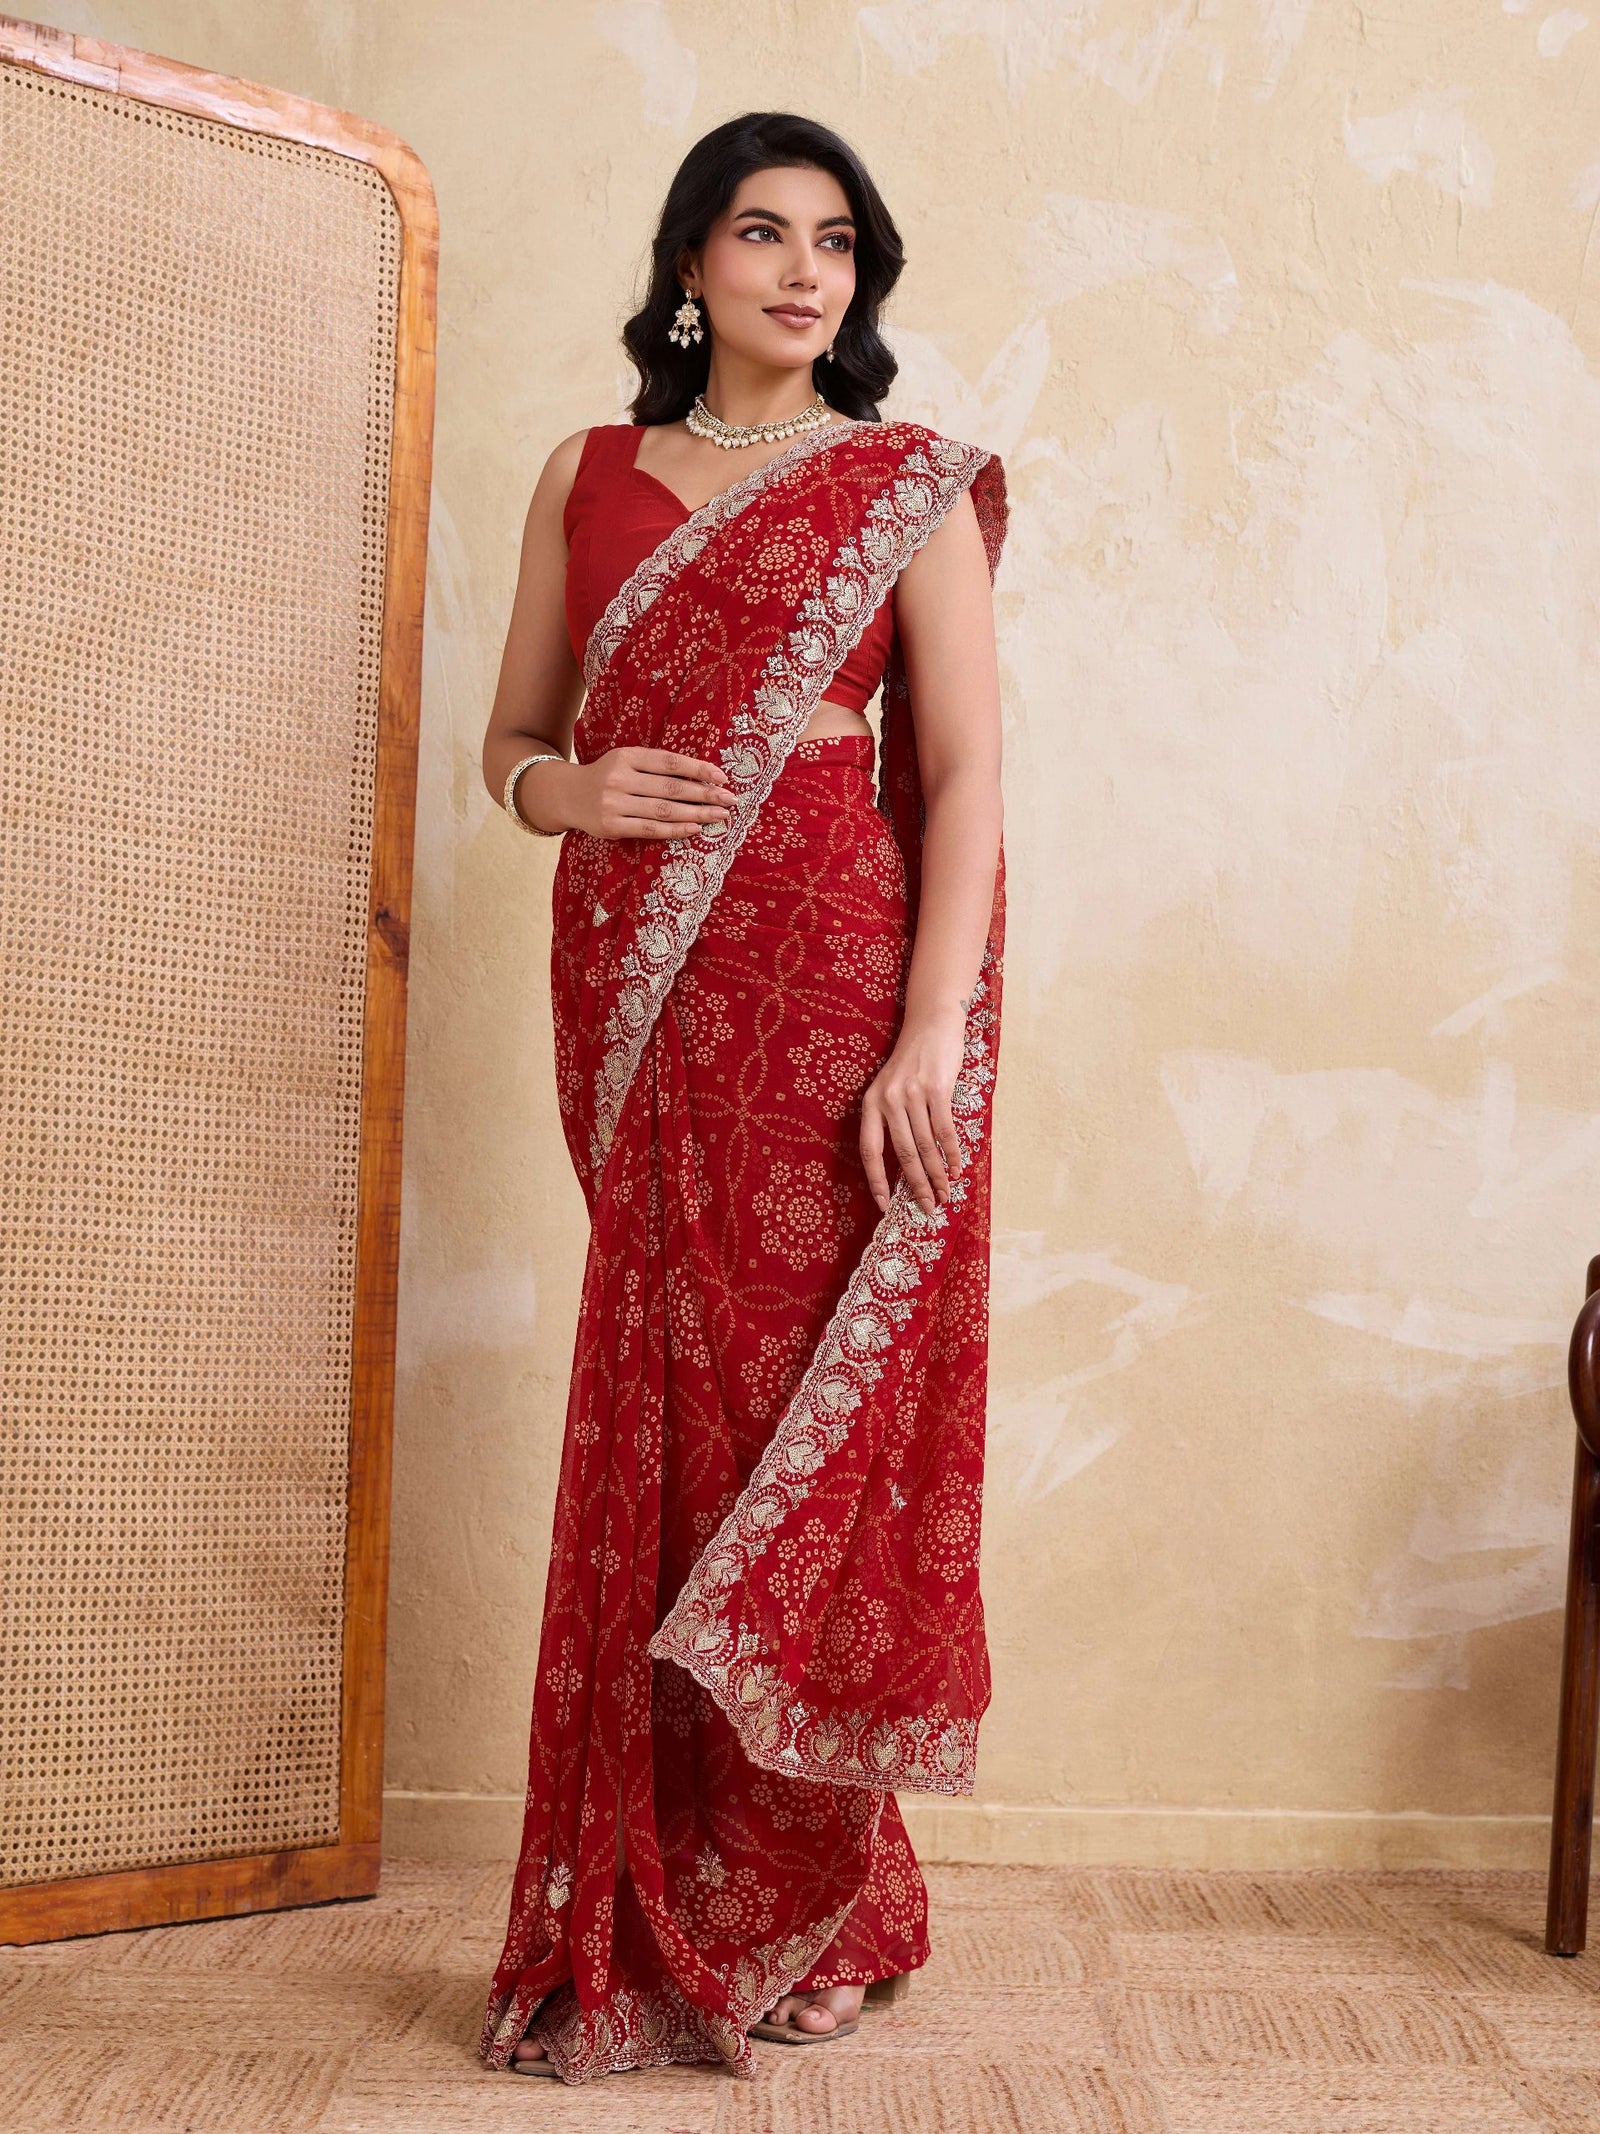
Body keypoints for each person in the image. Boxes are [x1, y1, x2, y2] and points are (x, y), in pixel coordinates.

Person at [475, 109, 1008, 2086]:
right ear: (687, 263)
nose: (803, 270)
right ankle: (658, 1894)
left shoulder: (902, 491)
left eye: (837, 243)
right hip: (638, 998)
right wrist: (569, 791)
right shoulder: (587, 473)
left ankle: (812, 1894)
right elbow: (511, 739)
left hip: (823, 988)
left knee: (799, 1443)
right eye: (760, 232)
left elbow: (955, 782)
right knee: (669, 1419)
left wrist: (924, 1033)